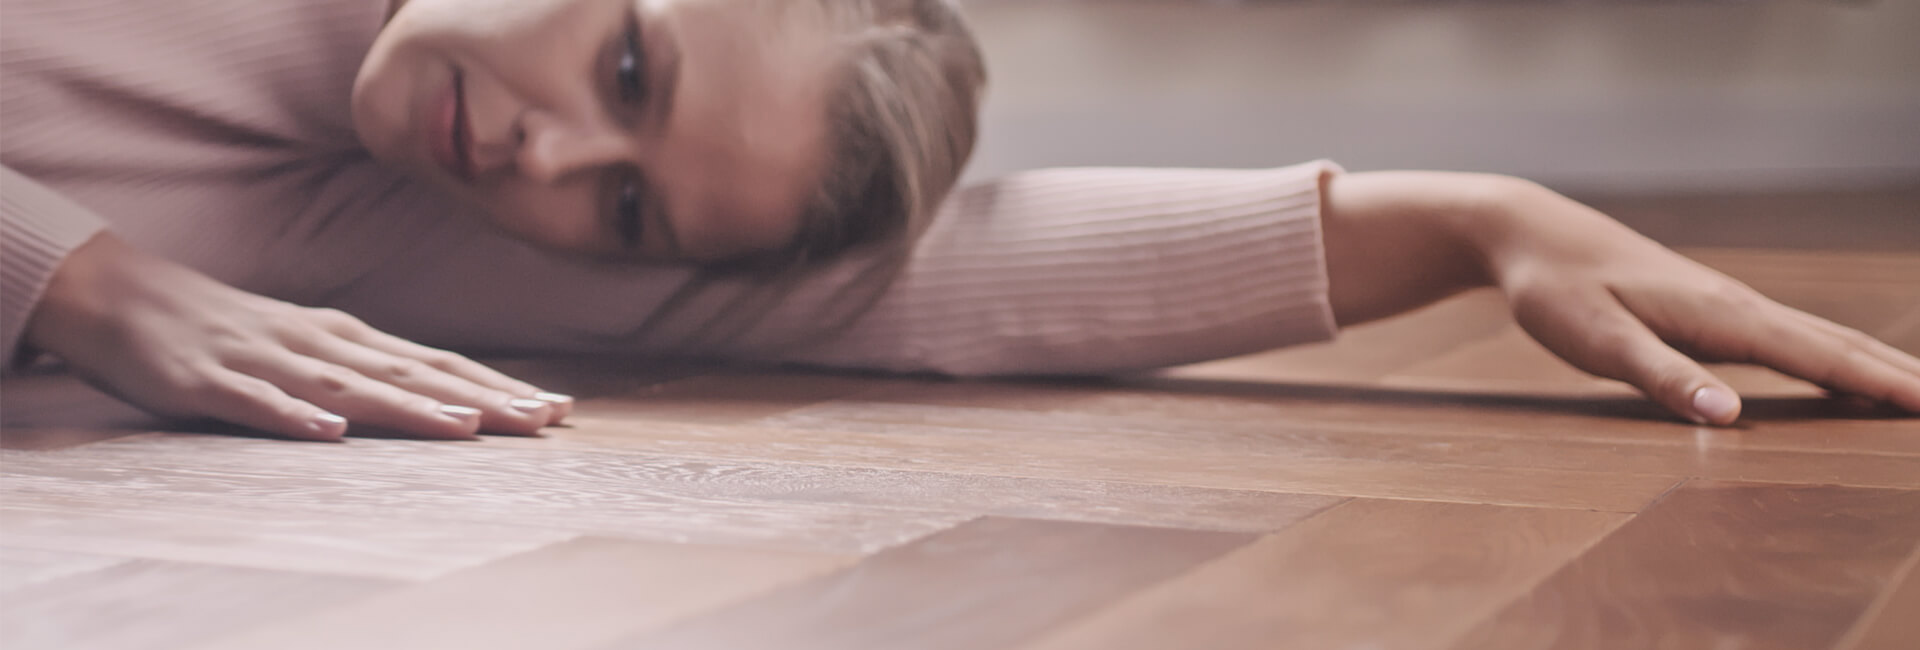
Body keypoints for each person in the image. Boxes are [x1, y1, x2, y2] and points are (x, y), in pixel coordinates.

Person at [3, 0, 1915, 443]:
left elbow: (958, 276)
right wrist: (74, 276)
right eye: (634, 62)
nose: (545, 156)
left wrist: (1485, 219)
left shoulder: (464, 230)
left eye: (629, 205)